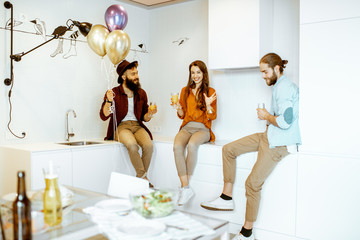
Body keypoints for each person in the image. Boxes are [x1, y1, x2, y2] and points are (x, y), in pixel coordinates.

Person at [200, 53, 301, 240]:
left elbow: (286, 121)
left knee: (252, 184)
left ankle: (247, 233)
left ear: (277, 68)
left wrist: (266, 116)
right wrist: (269, 119)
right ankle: (226, 197)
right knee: (228, 149)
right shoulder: (279, 87)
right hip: (269, 136)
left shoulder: (285, 88)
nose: (263, 76)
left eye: (265, 72)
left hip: (279, 143)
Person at [99, 60, 157, 186]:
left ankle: (140, 179)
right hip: (122, 127)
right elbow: (104, 115)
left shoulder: (141, 93)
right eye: (133, 74)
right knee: (132, 145)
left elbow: (144, 117)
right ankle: (143, 178)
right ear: (123, 77)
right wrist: (108, 101)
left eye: (137, 73)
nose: (137, 76)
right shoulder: (113, 92)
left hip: (137, 125)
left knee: (149, 146)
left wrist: (150, 114)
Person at [171, 60, 217, 206]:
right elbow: (182, 114)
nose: (195, 75)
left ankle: (184, 188)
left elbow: (212, 116)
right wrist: (178, 107)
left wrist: (209, 105)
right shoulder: (185, 91)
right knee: (177, 146)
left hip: (203, 128)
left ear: (203, 73)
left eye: (198, 72)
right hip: (187, 127)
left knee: (192, 145)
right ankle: (186, 188)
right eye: (193, 73)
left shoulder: (210, 92)